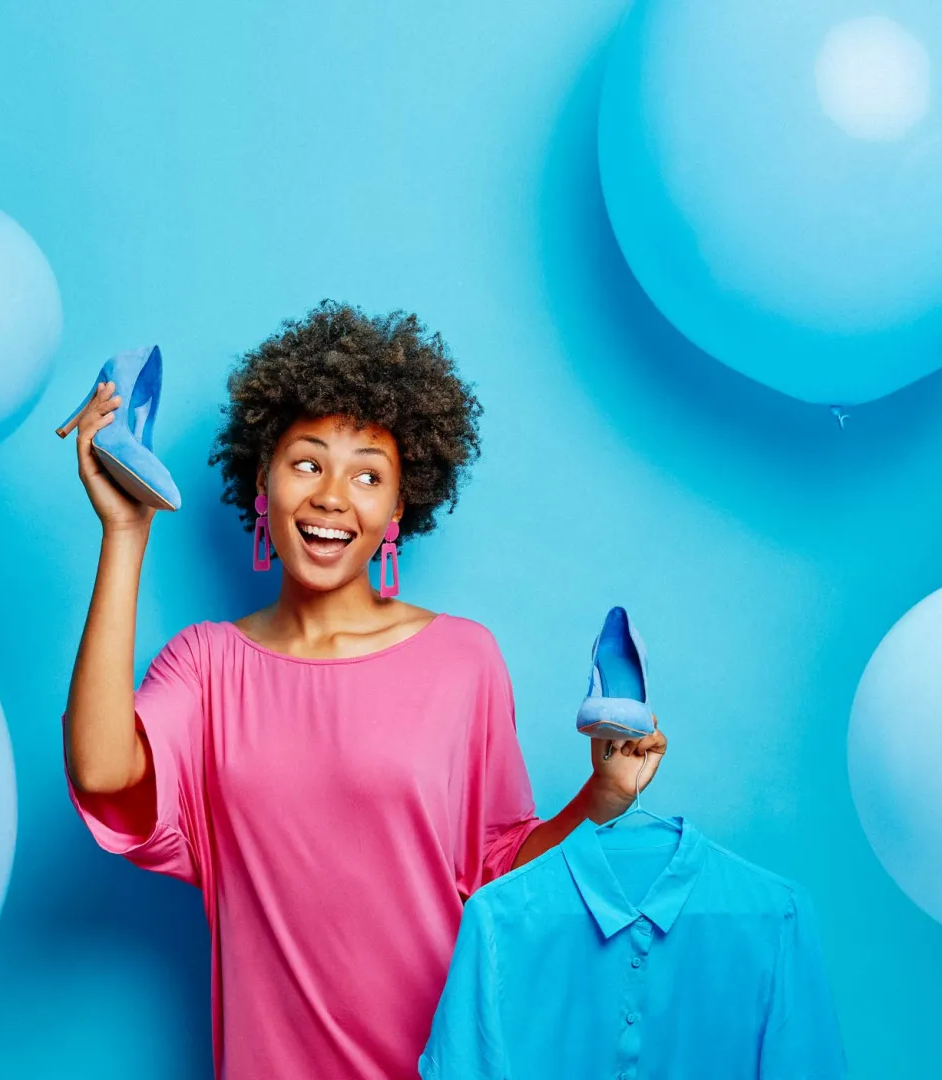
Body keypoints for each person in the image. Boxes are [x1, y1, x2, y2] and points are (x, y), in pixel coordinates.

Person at [62, 301, 669, 1079]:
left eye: (368, 476)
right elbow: (103, 770)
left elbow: (498, 874)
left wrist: (602, 796)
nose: (332, 497)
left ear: (396, 510)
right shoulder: (207, 666)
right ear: (262, 482)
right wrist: (125, 533)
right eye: (307, 463)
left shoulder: (462, 659)